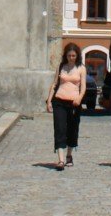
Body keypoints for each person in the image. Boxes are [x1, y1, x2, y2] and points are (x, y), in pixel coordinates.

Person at [45, 41, 86, 169]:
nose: (71, 58)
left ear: (77, 56)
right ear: (65, 56)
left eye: (73, 56)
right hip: (59, 101)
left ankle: (69, 155)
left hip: (74, 103)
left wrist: (79, 98)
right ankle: (61, 160)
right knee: (59, 128)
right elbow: (54, 84)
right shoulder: (61, 66)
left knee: (72, 130)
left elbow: (83, 87)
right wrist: (49, 100)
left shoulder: (81, 68)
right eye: (69, 55)